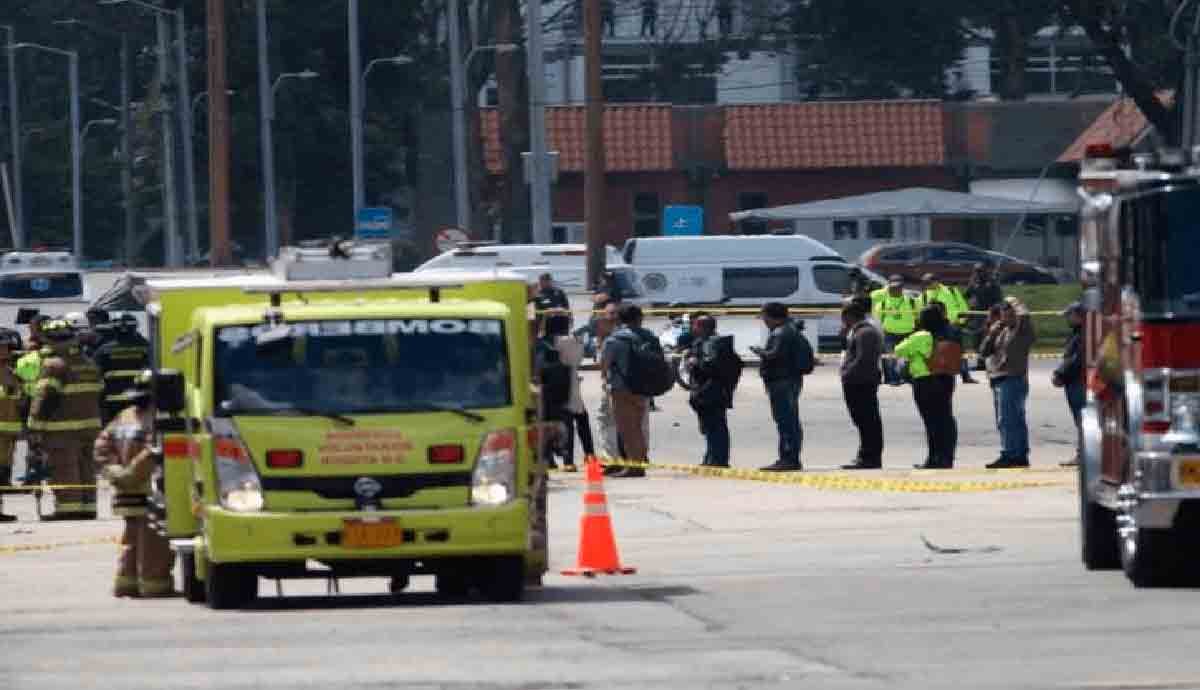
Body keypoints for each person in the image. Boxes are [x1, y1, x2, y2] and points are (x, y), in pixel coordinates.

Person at [93, 370, 175, 598]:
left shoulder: (123, 416)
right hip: (150, 493)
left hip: (125, 493)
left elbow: (101, 448)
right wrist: (131, 473)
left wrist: (115, 473)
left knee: (131, 540)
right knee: (154, 542)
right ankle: (154, 584)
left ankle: (125, 584)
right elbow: (154, 452)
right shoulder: (157, 418)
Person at [27, 320, 103, 520]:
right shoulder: (89, 363)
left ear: (48, 339)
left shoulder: (54, 364)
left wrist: (34, 427)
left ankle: (68, 509)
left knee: (64, 468)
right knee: (86, 468)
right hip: (90, 427)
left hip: (61, 430)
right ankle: (88, 508)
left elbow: (45, 398)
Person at [895, 306, 957, 469]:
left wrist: (913, 351)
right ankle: (946, 458)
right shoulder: (949, 333)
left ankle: (933, 458)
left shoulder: (920, 336)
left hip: (925, 381)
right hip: (946, 378)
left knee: (931, 422)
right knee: (945, 419)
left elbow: (899, 350)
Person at [751, 303, 809, 472]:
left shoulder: (780, 332)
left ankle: (789, 458)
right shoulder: (790, 329)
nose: (764, 321)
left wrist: (759, 351)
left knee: (786, 421)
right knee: (789, 419)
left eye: (764, 317)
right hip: (790, 379)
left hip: (782, 381)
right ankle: (790, 457)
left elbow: (774, 355)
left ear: (771, 316)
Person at [980, 297, 1036, 468]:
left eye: (1009, 315)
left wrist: (1015, 302)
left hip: (1013, 378)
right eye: (1004, 316)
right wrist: (992, 332)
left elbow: (1025, 316)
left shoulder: (1022, 331)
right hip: (999, 378)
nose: (1005, 319)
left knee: (1009, 419)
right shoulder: (1001, 331)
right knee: (1009, 419)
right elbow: (984, 351)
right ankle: (1018, 454)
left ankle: (1011, 454)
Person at [601, 304, 655, 478]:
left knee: (627, 429)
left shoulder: (615, 339)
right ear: (640, 318)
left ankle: (634, 466)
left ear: (619, 319)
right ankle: (639, 462)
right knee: (638, 427)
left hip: (622, 388)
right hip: (644, 388)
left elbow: (605, 364)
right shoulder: (650, 337)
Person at [686, 315, 736, 468]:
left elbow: (711, 366)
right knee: (710, 425)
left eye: (695, 325)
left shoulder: (712, 343)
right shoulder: (706, 342)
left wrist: (695, 363)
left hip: (711, 390)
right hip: (712, 390)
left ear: (703, 327)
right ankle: (712, 457)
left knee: (715, 425)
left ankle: (718, 459)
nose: (692, 328)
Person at [548, 311, 595, 471]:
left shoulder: (547, 341)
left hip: (551, 385)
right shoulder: (572, 341)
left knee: (564, 422)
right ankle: (587, 455)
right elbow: (579, 358)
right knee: (580, 420)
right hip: (570, 382)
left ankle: (564, 460)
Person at [839, 303, 884, 470]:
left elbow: (864, 359)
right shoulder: (857, 331)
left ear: (850, 316)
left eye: (843, 317)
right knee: (862, 420)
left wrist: (847, 373)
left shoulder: (866, 333)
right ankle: (865, 454)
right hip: (857, 380)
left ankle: (870, 457)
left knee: (867, 420)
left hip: (861, 381)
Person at [92, 315, 151, 426]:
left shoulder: (103, 350)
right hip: (139, 400)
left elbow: (94, 374)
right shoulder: (147, 348)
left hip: (111, 402)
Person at [1053, 302, 1086, 468]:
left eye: (1069, 315)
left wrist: (1060, 374)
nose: (1067, 318)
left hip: (1078, 382)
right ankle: (1083, 454)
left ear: (1079, 315)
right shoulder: (1077, 333)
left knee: (1083, 420)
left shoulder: (1083, 334)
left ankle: (1084, 455)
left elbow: (1076, 359)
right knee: (1080, 421)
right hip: (1073, 381)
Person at [871, 275, 917, 385]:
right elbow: (878, 318)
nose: (896, 290)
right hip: (889, 333)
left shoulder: (911, 300)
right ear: (888, 286)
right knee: (889, 357)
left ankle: (907, 376)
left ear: (902, 288)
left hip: (908, 332)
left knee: (908, 356)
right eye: (893, 287)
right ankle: (892, 378)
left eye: (898, 287)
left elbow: (917, 315)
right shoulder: (881, 302)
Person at [0, 332, 22, 521]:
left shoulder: (10, 372)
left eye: (7, 347)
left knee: (2, 473)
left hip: (8, 434)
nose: (5, 351)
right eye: (2, 347)